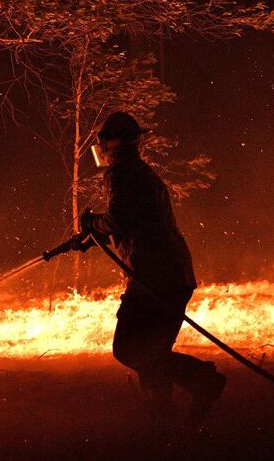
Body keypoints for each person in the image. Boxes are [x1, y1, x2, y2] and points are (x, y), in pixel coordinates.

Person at [79, 111, 226, 432]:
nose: (101, 150)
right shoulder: (143, 175)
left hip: (153, 279)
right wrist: (95, 234)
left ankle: (203, 380)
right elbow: (134, 220)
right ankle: (166, 429)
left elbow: (117, 219)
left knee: (129, 349)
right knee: (152, 354)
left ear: (113, 143)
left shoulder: (121, 174)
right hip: (172, 275)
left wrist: (91, 223)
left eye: (103, 143)